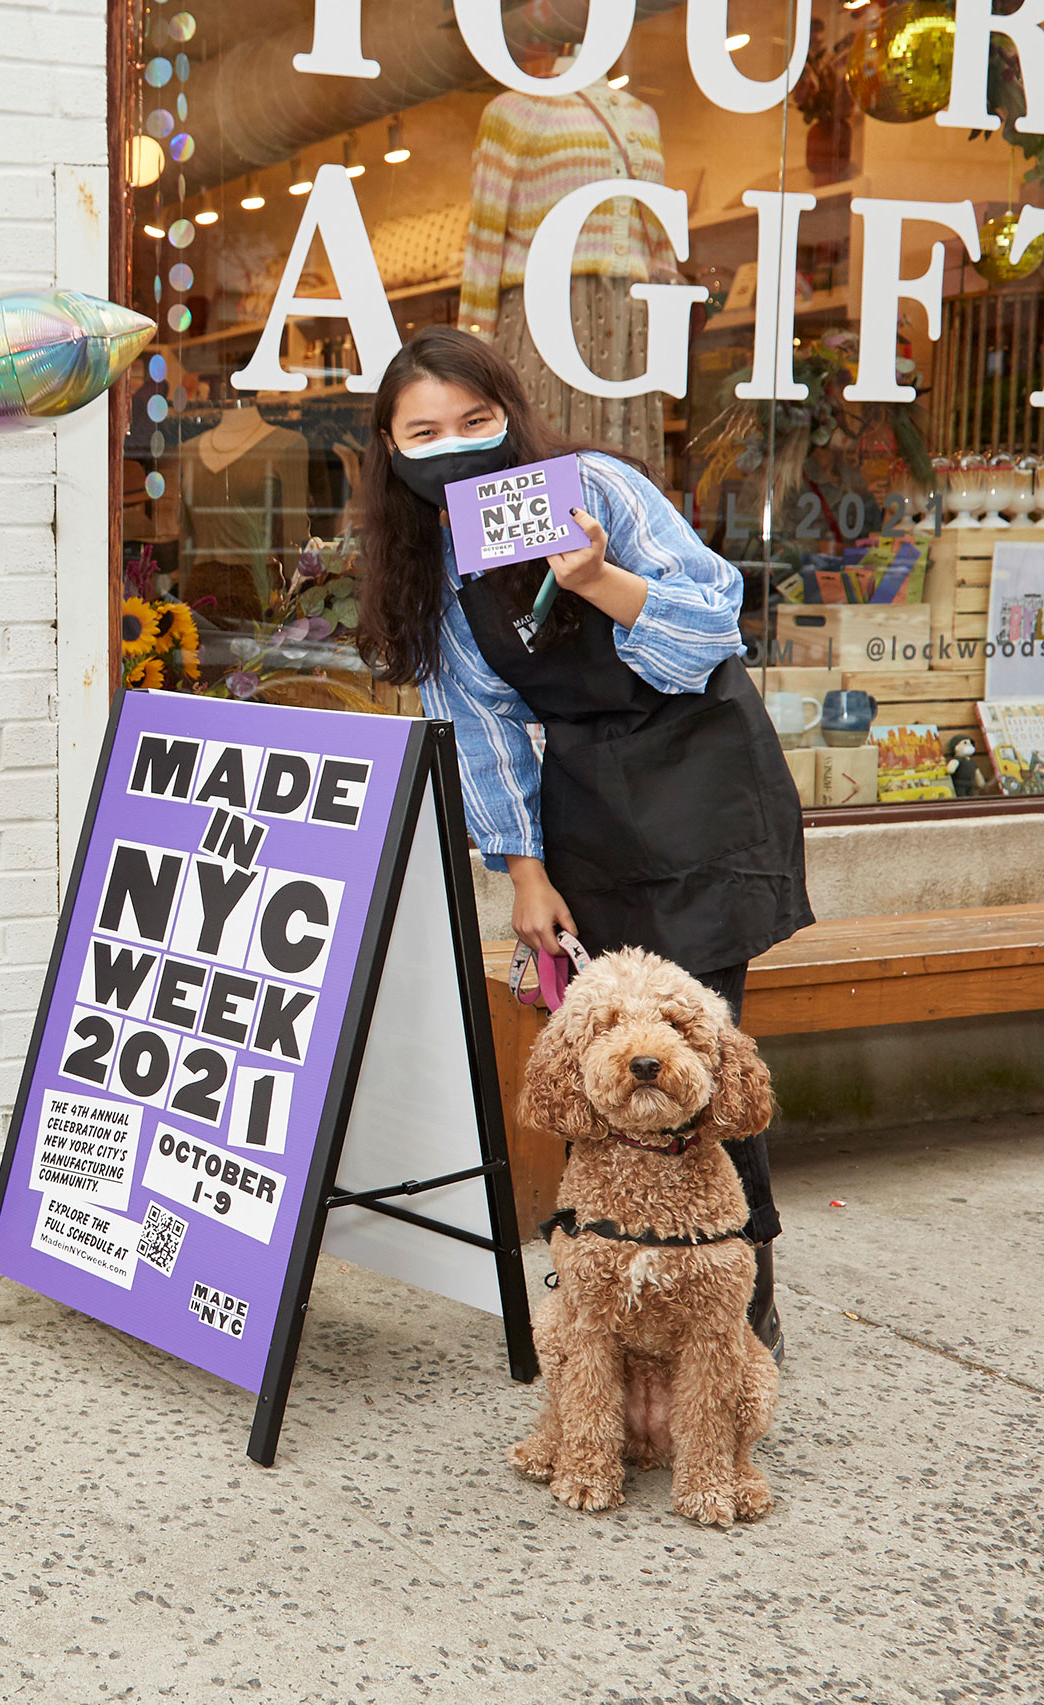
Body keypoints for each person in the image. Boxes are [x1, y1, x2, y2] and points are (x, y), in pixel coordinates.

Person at [352, 324, 809, 1360]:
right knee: (606, 1054)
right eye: (424, 432)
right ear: (390, 447)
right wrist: (524, 872)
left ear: (510, 413)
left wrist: (599, 577)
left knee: (693, 1052)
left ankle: (742, 1307)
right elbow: (481, 728)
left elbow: (714, 623)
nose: (453, 445)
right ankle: (624, 1286)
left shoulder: (596, 487)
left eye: (475, 419)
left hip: (703, 774)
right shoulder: (429, 558)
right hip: (589, 796)